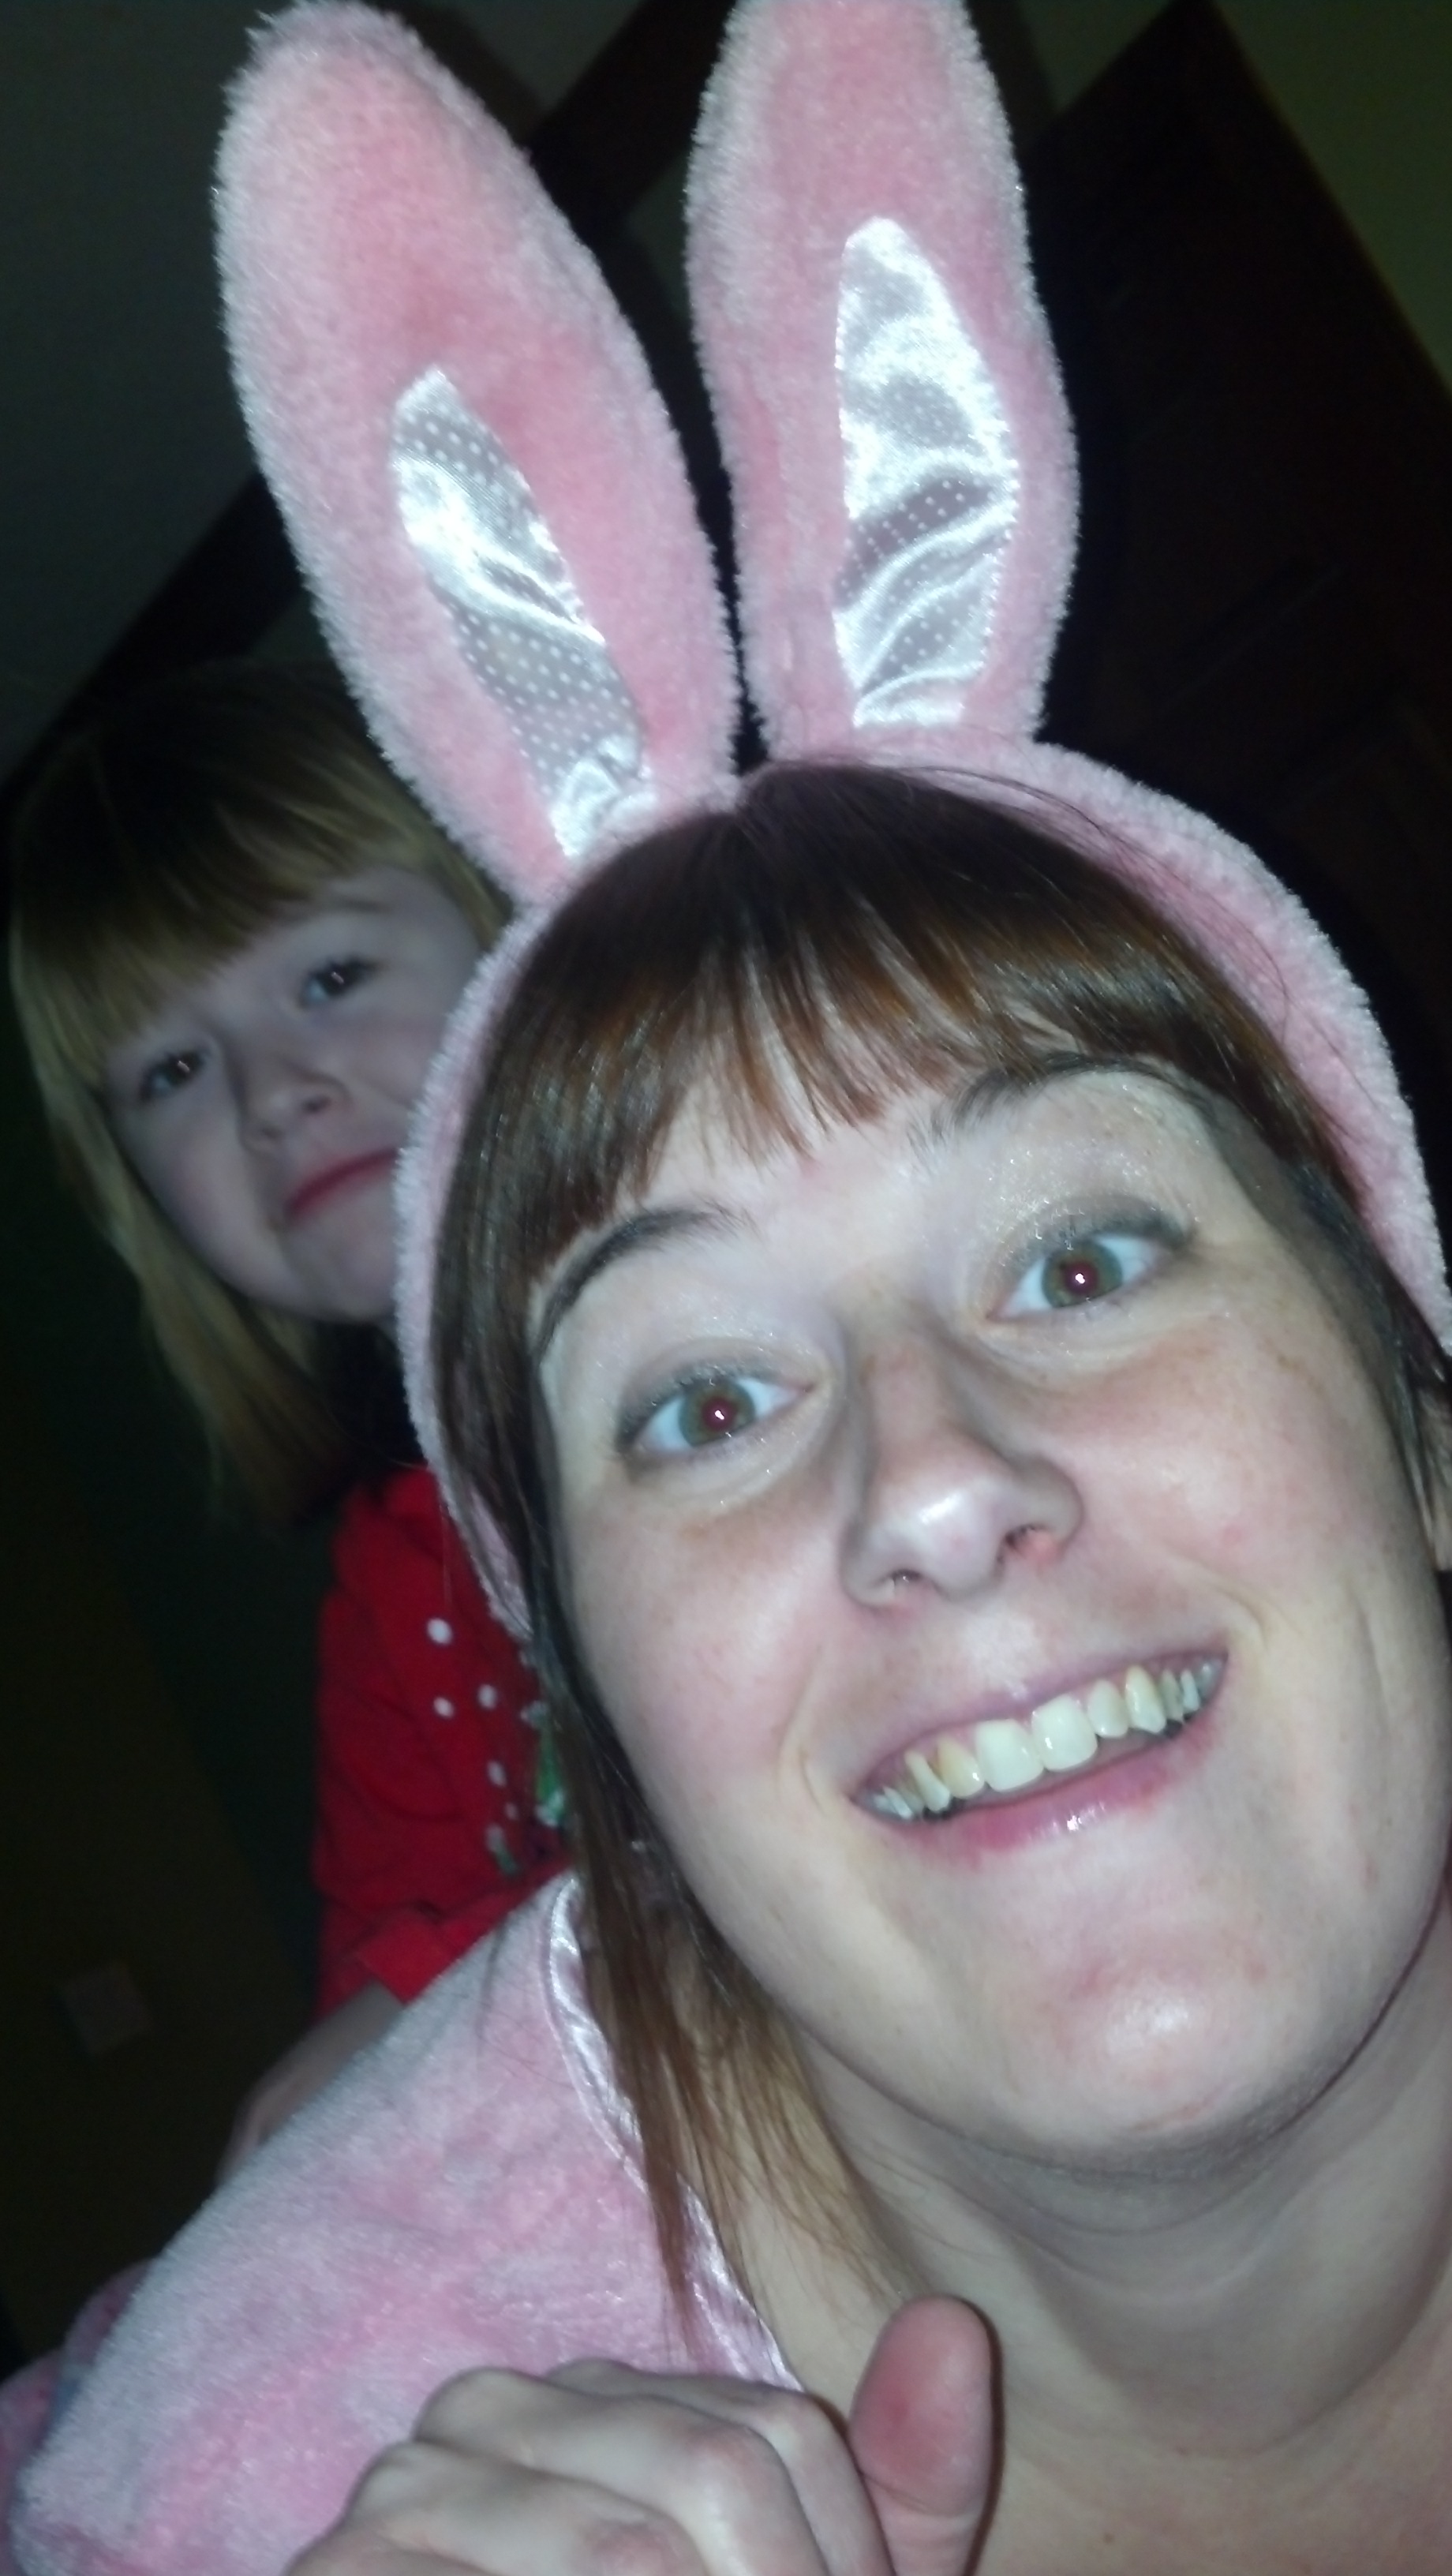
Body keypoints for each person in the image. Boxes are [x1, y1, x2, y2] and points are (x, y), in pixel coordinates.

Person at [10, 0, 1452, 2567]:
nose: (934, 1484)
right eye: (696, 1403)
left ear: (1421, 1403)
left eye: (1084, 1253)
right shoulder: (267, 2442)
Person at [7, 661, 564, 2155]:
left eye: (329, 980)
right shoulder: (394, 1590)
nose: (269, 1096)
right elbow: (372, 1971)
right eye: (174, 1070)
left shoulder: (751, 1360)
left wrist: (434, 1996)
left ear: (504, 923)